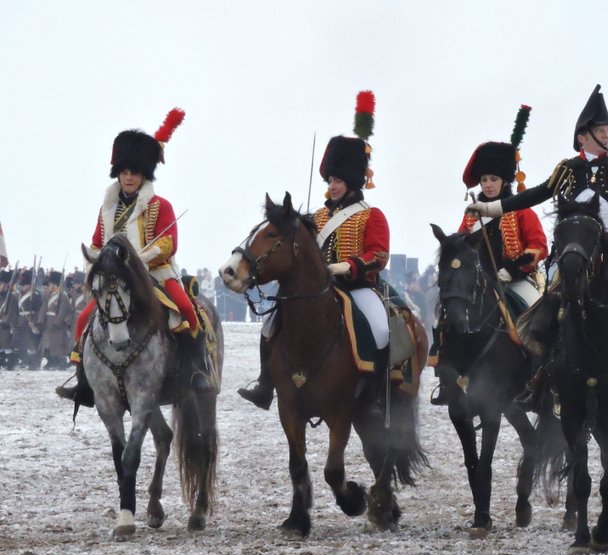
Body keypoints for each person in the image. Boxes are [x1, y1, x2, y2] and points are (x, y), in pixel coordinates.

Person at [466, 85, 608, 414]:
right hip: (571, 251)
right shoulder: (567, 168)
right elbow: (533, 195)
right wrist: (493, 209)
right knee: (547, 309)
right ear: (583, 137)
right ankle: (539, 379)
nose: (606, 135)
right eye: (600, 130)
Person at [239, 91, 393, 409]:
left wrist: (348, 267)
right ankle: (265, 385)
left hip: (357, 286)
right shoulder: (316, 217)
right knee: (270, 326)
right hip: (316, 289)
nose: (333, 185)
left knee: (379, 328)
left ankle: (377, 393)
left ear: (353, 182)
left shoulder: (370, 215)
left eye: (339, 180)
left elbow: (379, 255)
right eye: (331, 179)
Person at [56, 108, 211, 405]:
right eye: (125, 172)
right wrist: (101, 259)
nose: (128, 177)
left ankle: (197, 372)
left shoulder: (160, 205)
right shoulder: (107, 209)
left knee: (187, 310)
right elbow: (97, 241)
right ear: (119, 172)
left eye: (134, 172)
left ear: (144, 174)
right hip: (115, 276)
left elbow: (169, 244)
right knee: (82, 321)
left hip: (155, 274)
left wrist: (139, 258)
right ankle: (85, 383)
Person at [429, 110, 549, 405]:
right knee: (444, 316)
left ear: (504, 180)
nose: (488, 185)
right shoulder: (471, 215)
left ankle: (539, 379)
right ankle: (446, 377)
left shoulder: (521, 210)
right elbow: (458, 245)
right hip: (477, 284)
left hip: (515, 280)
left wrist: (516, 268)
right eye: (484, 179)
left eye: (494, 179)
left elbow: (538, 245)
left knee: (538, 318)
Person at [36, 271, 72, 370]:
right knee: (48, 344)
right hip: (48, 321)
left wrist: (57, 322)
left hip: (56, 324)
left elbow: (63, 311)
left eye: (51, 283)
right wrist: (41, 320)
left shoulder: (63, 295)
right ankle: (51, 361)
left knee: (58, 345)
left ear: (55, 284)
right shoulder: (49, 295)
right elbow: (44, 308)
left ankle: (61, 362)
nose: (49, 285)